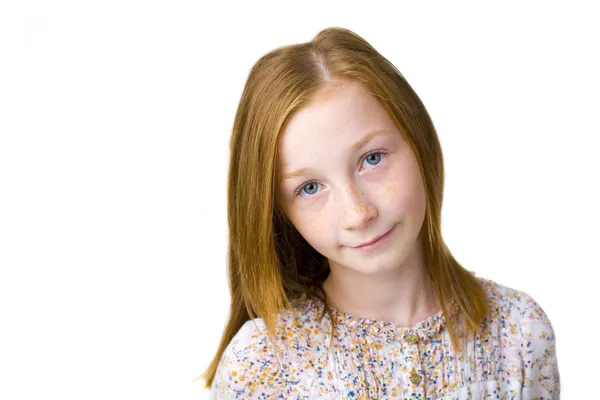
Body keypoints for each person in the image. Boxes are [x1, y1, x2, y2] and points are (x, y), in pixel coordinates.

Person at [200, 27, 560, 399]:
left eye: (371, 159)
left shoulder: (519, 333)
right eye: (309, 188)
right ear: (279, 212)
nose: (358, 213)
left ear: (418, 140)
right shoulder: (259, 367)